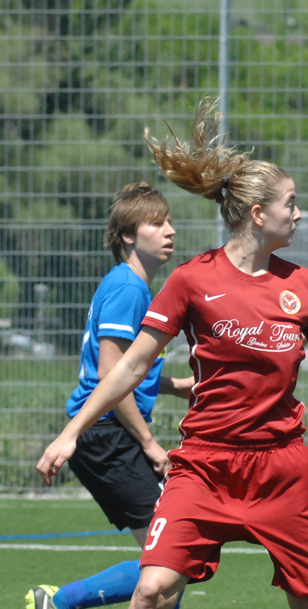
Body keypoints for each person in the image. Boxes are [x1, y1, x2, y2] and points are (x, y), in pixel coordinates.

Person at [35, 100, 308, 609]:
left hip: (282, 470)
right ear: (257, 214)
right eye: (290, 203)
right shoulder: (191, 280)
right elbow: (131, 366)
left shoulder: (302, 284)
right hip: (205, 463)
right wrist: (71, 433)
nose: (297, 213)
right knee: (154, 589)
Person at [27, 183, 194, 609]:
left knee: (170, 561)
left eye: (170, 221)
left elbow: (130, 373)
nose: (170, 231)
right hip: (109, 435)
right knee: (171, 560)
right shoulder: (129, 289)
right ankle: (60, 601)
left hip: (107, 432)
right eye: (157, 223)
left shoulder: (130, 285)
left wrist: (178, 388)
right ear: (128, 236)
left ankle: (59, 602)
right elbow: (111, 375)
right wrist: (150, 443)